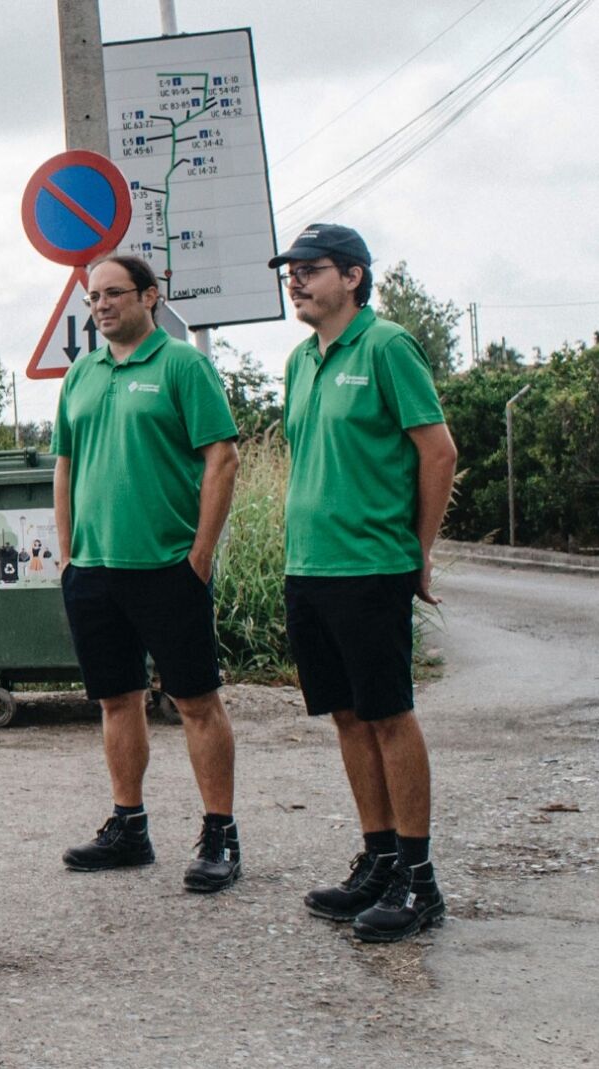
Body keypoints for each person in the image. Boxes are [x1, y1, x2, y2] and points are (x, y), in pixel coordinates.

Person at [271, 224, 459, 942]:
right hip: (309, 566)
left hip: (372, 565)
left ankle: (420, 879)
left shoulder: (387, 346)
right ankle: (379, 859)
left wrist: (418, 550)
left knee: (388, 714)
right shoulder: (299, 361)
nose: (295, 280)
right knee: (347, 716)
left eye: (310, 268)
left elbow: (437, 451)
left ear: (352, 276)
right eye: (290, 271)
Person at [51, 254, 244, 894]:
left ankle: (220, 835)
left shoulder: (183, 365)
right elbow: (64, 466)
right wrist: (68, 554)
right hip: (94, 569)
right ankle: (129, 827)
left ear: (149, 297)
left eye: (113, 293)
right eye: (93, 297)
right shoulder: (81, 375)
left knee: (195, 701)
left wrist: (200, 554)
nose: (101, 305)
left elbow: (222, 458)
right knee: (116, 699)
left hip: (167, 566)